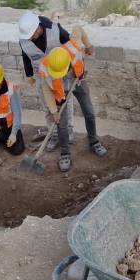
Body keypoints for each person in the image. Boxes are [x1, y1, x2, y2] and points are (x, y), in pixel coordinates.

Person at [37, 27, 107, 172]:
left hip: (78, 81)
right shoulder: (44, 68)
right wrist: (54, 111)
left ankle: (93, 141)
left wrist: (88, 46)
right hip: (60, 90)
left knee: (89, 112)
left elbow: (78, 29)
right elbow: (47, 90)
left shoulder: (73, 47)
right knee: (61, 123)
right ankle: (64, 153)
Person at [18, 11, 88, 138]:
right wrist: (29, 74)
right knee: (47, 105)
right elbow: (26, 56)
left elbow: (72, 48)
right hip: (42, 74)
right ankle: (54, 134)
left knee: (65, 103)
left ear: (38, 27)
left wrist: (77, 70)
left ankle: (68, 131)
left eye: (32, 34)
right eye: (28, 36)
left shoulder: (56, 30)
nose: (30, 38)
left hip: (61, 72)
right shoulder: (24, 40)